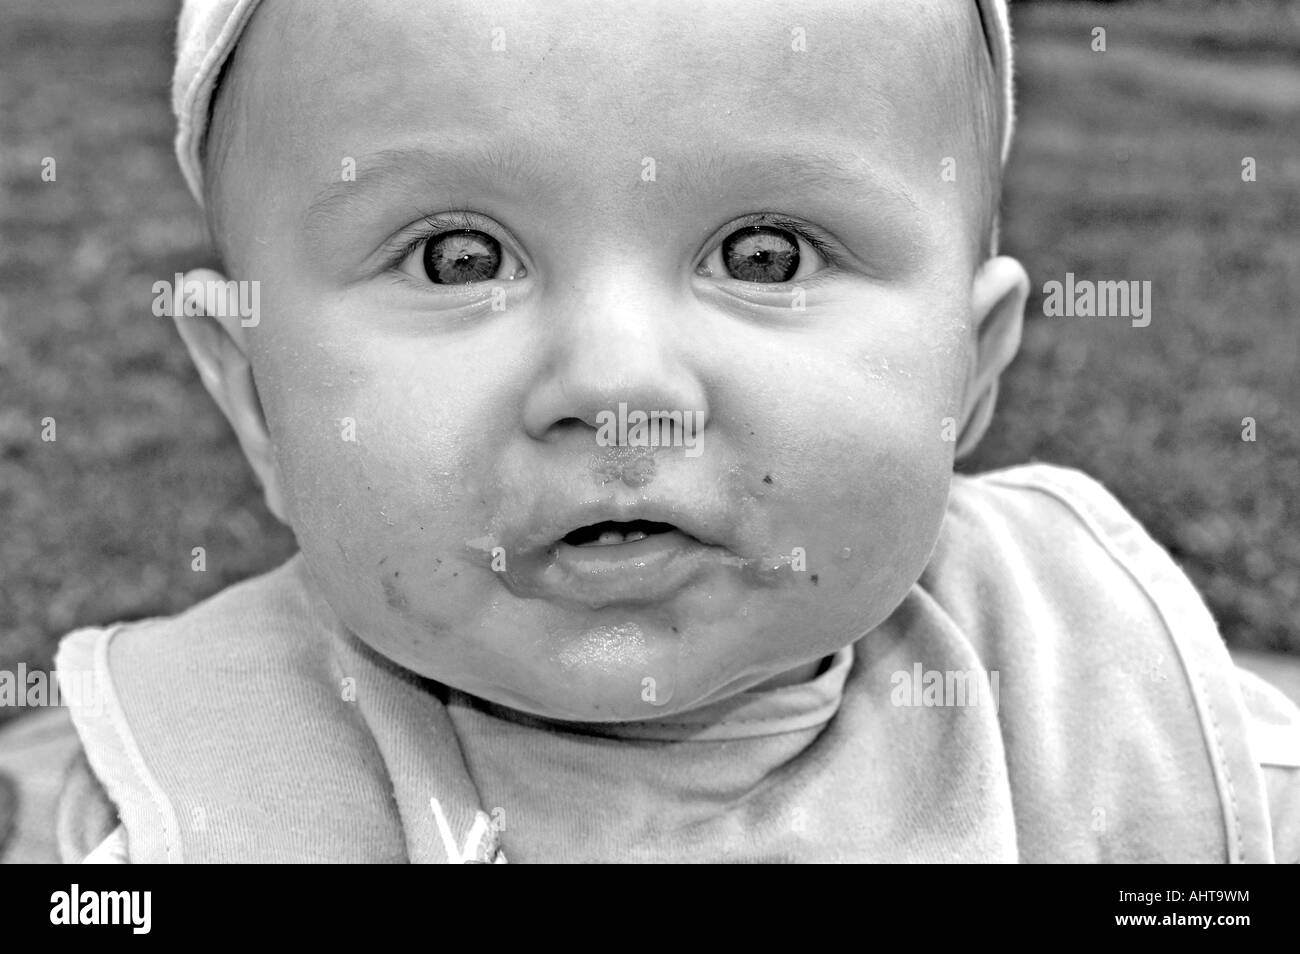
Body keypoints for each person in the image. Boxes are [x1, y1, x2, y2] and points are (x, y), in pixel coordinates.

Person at [21, 0, 1300, 862]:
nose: (617, 383)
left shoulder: (1129, 712)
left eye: (765, 250)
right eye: (460, 257)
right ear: (254, 398)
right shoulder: (154, 814)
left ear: (966, 374)